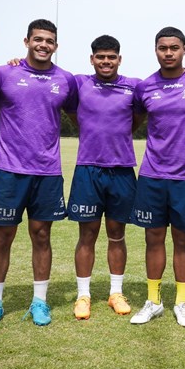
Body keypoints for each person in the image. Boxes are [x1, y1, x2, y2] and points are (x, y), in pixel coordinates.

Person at [0, 19, 77, 331]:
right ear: (27, 41)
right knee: (1, 237)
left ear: (56, 46)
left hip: (47, 172)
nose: (44, 45)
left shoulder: (66, 79)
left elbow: (81, 114)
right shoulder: (4, 73)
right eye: (38, 39)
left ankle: (39, 301)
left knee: (42, 236)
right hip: (8, 170)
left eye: (49, 41)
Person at [128, 26, 185, 328]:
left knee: (182, 239)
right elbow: (135, 120)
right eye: (163, 48)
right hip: (152, 174)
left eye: (174, 48)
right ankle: (153, 301)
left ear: (184, 50)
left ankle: (181, 302)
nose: (169, 53)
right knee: (153, 238)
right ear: (156, 50)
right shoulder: (145, 87)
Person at [66, 35, 141, 320]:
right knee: (86, 235)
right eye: (100, 57)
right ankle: (83, 295)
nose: (106, 61)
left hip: (122, 170)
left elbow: (139, 118)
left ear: (119, 59)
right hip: (88, 169)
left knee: (117, 235)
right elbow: (73, 112)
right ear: (92, 59)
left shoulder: (133, 86)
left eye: (111, 57)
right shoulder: (79, 83)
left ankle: (115, 292)